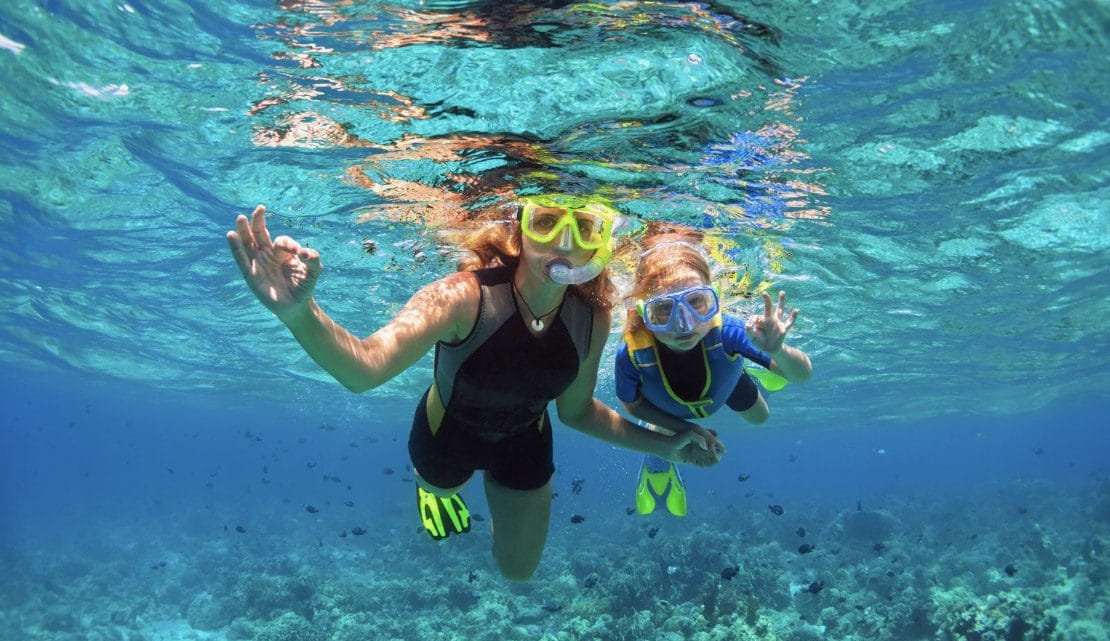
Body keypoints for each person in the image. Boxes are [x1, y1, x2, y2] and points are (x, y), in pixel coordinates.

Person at [227, 198, 720, 580]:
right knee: (442, 486)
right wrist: (299, 313)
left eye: (585, 228)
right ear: (520, 230)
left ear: (600, 244)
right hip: (446, 435)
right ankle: (431, 489)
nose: (565, 242)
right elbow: (365, 369)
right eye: (547, 222)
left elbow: (577, 412)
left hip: (526, 441)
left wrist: (667, 446)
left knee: (518, 571)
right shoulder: (463, 295)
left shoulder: (593, 316)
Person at [615, 230, 812, 517]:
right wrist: (685, 429)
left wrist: (778, 351)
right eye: (664, 309)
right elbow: (631, 405)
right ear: (644, 313)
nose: (684, 324)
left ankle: (758, 364)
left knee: (761, 417)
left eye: (696, 302)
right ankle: (657, 465)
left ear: (714, 299)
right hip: (666, 408)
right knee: (665, 434)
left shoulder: (728, 331)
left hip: (726, 381)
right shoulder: (632, 354)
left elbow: (802, 376)